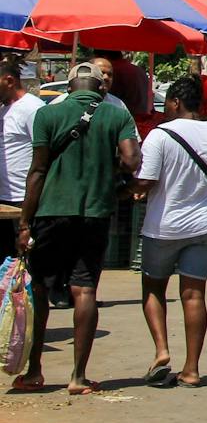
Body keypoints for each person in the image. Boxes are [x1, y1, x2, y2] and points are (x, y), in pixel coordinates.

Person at [15, 64, 139, 394]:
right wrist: (109, 169)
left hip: (51, 212)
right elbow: (132, 161)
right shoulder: (116, 116)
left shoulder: (47, 115)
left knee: (39, 289)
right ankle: (78, 376)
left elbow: (38, 171)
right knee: (85, 291)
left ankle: (34, 370)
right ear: (101, 89)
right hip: (95, 213)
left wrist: (25, 223)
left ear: (69, 87)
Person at [134, 77, 207, 389]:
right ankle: (192, 369)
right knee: (194, 294)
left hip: (163, 226)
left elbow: (146, 180)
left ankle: (162, 350)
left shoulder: (160, 136)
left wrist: (126, 189)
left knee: (153, 288)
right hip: (205, 225)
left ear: (176, 103)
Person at [0, 56, 46, 248]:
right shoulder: (4, 109)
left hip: (23, 200)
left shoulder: (32, 108)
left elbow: (43, 154)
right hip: (4, 199)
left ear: (9, 81)